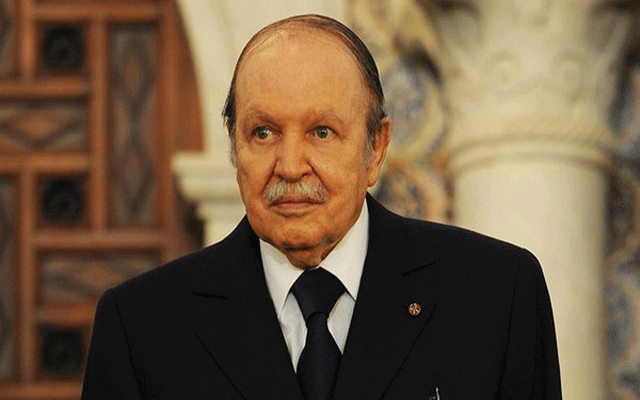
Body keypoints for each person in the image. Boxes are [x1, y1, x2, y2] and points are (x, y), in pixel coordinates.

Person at [81, 14, 562, 400]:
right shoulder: (140, 327)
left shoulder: (497, 296)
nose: (290, 166)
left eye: (322, 132)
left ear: (375, 148)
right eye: (263, 133)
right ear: (234, 147)